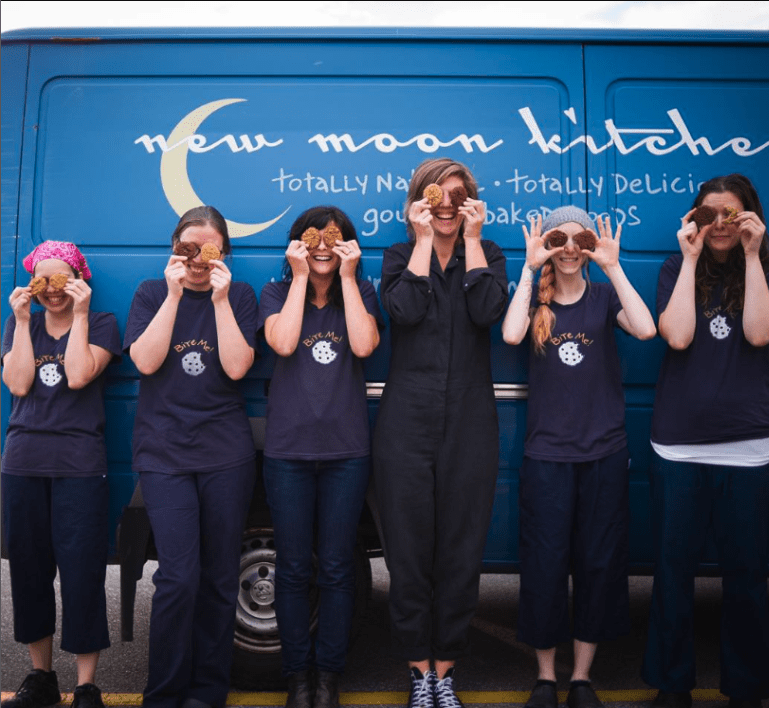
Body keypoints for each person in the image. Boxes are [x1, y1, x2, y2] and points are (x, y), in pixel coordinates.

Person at [641, 175, 769, 708]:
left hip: (752, 449)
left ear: (750, 217)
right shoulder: (670, 269)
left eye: (732, 214)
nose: (720, 225)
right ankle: (672, 683)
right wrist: (687, 259)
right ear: (693, 219)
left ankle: (747, 686)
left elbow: (758, 332)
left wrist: (752, 256)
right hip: (680, 449)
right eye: (708, 215)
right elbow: (677, 336)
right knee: (673, 575)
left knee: (747, 578)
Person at [502, 206, 656, 708]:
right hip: (547, 456)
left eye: (580, 238)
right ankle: (546, 677)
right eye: (558, 238)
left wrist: (612, 265)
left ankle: (581, 678)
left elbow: (646, 330)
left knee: (597, 564)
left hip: (604, 454)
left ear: (590, 245)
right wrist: (527, 268)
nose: (569, 247)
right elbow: (510, 335)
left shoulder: (605, 296)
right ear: (547, 244)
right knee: (545, 565)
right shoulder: (534, 298)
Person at [372, 158, 508, 708]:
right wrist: (425, 241)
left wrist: (473, 241)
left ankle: (444, 670)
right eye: (435, 195)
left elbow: (487, 311)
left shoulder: (490, 255)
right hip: (406, 421)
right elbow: (402, 311)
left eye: (458, 194)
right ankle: (417, 669)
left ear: (471, 201)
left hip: (472, 420)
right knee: (408, 550)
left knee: (459, 548)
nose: (447, 203)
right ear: (418, 202)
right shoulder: (400, 257)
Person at [123, 206, 258, 708]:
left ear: (224, 252)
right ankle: (164, 695)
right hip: (164, 453)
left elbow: (238, 366)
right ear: (173, 248)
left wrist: (220, 300)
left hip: (225, 453)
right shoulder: (151, 293)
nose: (197, 257)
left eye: (209, 248)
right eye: (187, 247)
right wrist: (176, 292)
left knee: (221, 577)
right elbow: (145, 360)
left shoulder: (239, 296)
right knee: (178, 578)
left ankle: (207, 693)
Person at [258, 206, 382, 708]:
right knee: (291, 568)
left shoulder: (362, 292)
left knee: (335, 567)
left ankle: (328, 676)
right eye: (313, 238)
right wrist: (300, 277)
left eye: (335, 238)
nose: (324, 245)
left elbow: (364, 343)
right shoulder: (274, 292)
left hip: (345, 453)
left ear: (348, 245)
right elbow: (284, 342)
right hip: (287, 452)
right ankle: (297, 677)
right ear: (297, 245)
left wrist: (349, 279)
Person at [1, 241, 121, 708]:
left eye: (62, 279)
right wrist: (26, 321)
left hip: (79, 466)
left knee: (81, 573)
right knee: (29, 572)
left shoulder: (104, 324)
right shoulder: (18, 324)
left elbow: (76, 374)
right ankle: (41, 678)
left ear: (78, 278)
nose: (53, 291)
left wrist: (82, 313)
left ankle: (86, 684)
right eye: (44, 280)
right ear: (34, 282)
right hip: (24, 463)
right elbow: (18, 383)